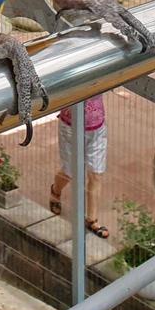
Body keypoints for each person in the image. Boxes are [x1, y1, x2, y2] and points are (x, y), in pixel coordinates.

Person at [49, 93, 109, 237]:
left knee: (96, 174)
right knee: (70, 172)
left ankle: (92, 219)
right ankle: (55, 192)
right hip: (70, 128)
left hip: (97, 127)